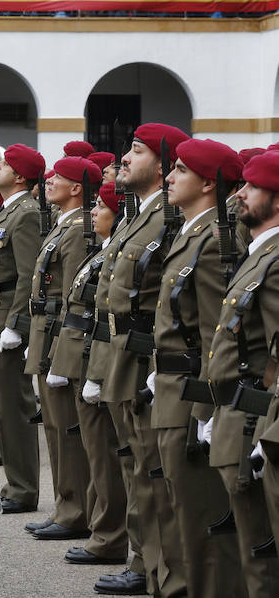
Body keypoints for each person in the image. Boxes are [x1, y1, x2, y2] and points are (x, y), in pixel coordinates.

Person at [86, 123, 189, 597]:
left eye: (137, 150)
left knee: (150, 469)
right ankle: (142, 558)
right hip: (122, 353)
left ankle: (159, 568)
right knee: (134, 462)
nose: (125, 159)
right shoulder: (136, 217)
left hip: (147, 357)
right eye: (127, 149)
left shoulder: (168, 220)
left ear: (164, 164)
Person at [148, 139, 247, 597]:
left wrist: (207, 411)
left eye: (181, 170)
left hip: (191, 394)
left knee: (199, 513)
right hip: (170, 388)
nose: (169, 177)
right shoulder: (191, 232)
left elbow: (216, 336)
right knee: (176, 507)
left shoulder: (212, 241)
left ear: (210, 183)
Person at [203, 148, 279, 594]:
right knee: (252, 548)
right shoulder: (258, 253)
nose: (241, 194)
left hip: (259, 418)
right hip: (241, 411)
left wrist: (270, 431)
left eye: (253, 187)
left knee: (262, 557)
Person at [50, 181, 131, 566]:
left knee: (104, 456)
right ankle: (101, 531)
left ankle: (109, 536)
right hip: (85, 357)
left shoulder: (110, 254)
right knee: (95, 453)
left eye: (101, 207)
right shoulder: (100, 253)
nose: (93, 213)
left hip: (99, 360)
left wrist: (95, 371)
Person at [22, 156, 102, 542]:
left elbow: (75, 297)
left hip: (60, 338)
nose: (49, 181)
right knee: (55, 428)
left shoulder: (78, 229)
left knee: (67, 432)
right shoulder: (64, 224)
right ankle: (64, 506)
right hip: (46, 333)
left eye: (59, 177)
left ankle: (74, 512)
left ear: (76, 189)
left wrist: (60, 352)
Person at [0, 143, 45, 514]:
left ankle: (23, 489)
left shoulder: (25, 214)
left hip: (6, 321)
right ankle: (15, 485)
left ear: (19, 176)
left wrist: (18, 324)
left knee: (14, 406)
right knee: (1, 404)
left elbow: (29, 275)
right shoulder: (9, 212)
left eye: (5, 164)